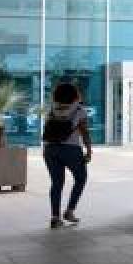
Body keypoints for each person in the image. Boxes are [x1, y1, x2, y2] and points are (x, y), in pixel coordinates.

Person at [42, 82, 91, 229]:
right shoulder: (79, 110)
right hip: (71, 150)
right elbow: (84, 132)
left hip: (50, 149)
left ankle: (55, 218)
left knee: (57, 183)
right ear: (75, 94)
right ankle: (69, 211)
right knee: (81, 178)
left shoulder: (52, 109)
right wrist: (89, 150)